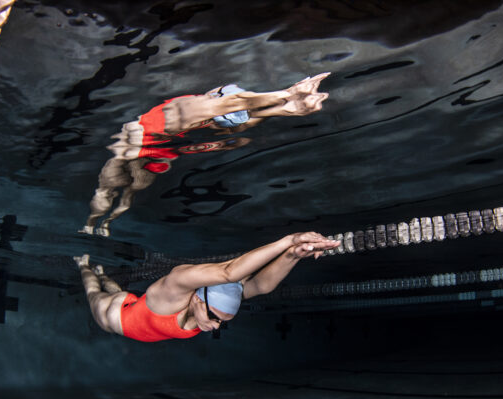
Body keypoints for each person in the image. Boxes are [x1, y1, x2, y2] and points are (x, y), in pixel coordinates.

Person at [80, 73, 330, 236]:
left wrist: (291, 107)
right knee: (113, 188)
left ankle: (105, 221)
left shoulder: (212, 112)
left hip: (154, 149)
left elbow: (244, 111)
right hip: (137, 147)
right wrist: (287, 95)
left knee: (125, 190)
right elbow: (234, 105)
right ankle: (93, 223)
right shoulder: (186, 110)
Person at [74, 232, 339, 342]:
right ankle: (84, 264)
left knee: (117, 290)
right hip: (113, 318)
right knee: (94, 291)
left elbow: (261, 285)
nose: (215, 326)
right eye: (215, 318)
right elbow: (228, 272)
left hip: (133, 305)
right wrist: (289, 241)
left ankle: (100, 272)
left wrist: (293, 254)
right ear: (198, 300)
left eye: (222, 321)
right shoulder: (172, 291)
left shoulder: (215, 301)